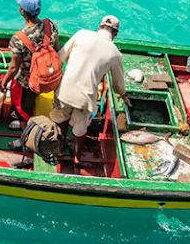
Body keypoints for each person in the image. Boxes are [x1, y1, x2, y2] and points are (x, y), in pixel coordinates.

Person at [50, 16, 131, 157]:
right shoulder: (115, 54)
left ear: (99, 27)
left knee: (60, 116)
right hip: (85, 100)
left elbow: (60, 57)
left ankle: (60, 147)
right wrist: (123, 94)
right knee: (80, 128)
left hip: (64, 91)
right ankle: (76, 155)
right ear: (115, 33)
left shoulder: (81, 34)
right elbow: (117, 86)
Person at [0, 0, 60, 129]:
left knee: (24, 105)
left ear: (22, 11)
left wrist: (4, 82)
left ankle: (24, 124)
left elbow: (14, 68)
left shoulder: (19, 38)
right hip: (47, 75)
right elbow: (56, 49)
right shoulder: (50, 25)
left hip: (28, 81)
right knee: (33, 97)